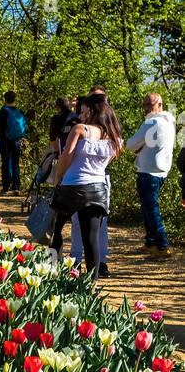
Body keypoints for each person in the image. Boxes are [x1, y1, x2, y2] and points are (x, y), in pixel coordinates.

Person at [49, 93, 122, 282]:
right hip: (98, 188)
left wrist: (58, 177)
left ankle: (53, 270)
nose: (80, 115)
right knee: (91, 238)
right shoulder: (112, 134)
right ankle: (92, 283)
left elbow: (66, 156)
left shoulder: (80, 130)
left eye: (83, 111)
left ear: (92, 111)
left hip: (73, 186)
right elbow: (112, 156)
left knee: (54, 229)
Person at [66, 85, 111, 276]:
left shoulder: (109, 126)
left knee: (99, 227)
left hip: (92, 179)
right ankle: (75, 260)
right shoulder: (77, 123)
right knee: (78, 225)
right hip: (88, 181)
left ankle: (100, 264)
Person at [125, 92, 176, 258]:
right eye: (144, 105)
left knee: (151, 209)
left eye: (150, 104)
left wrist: (139, 147)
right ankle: (150, 242)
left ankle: (162, 246)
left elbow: (131, 144)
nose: (146, 108)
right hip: (162, 172)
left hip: (148, 172)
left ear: (160, 105)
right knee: (148, 208)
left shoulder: (152, 122)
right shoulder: (170, 122)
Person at [0, 91, 26, 193]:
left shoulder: (2, 112)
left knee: (5, 163)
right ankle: (16, 186)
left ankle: (5, 186)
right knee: (15, 163)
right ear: (14, 99)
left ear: (5, 99)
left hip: (5, 140)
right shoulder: (20, 112)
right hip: (17, 140)